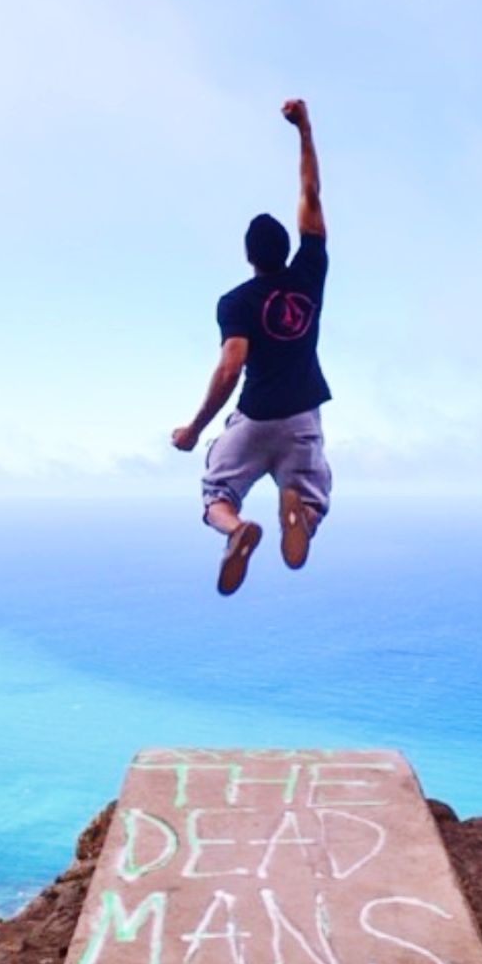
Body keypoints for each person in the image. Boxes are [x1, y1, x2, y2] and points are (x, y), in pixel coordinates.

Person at [172, 98, 333, 595]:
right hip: (301, 420)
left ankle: (236, 530)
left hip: (254, 420)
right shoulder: (310, 273)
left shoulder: (237, 302)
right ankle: (297, 515)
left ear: (248, 256)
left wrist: (195, 428)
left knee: (217, 495)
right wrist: (303, 130)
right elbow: (310, 191)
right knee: (313, 500)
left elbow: (230, 368)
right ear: (286, 250)